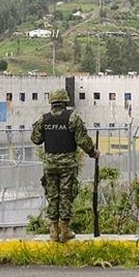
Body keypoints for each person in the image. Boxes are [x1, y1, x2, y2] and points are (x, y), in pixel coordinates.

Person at [31, 89, 99, 243]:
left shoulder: (44, 119)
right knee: (66, 195)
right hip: (67, 164)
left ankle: (53, 231)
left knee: (53, 195)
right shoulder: (72, 118)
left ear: (52, 103)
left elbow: (36, 139)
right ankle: (65, 230)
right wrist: (93, 152)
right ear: (65, 102)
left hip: (50, 164)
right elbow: (82, 140)